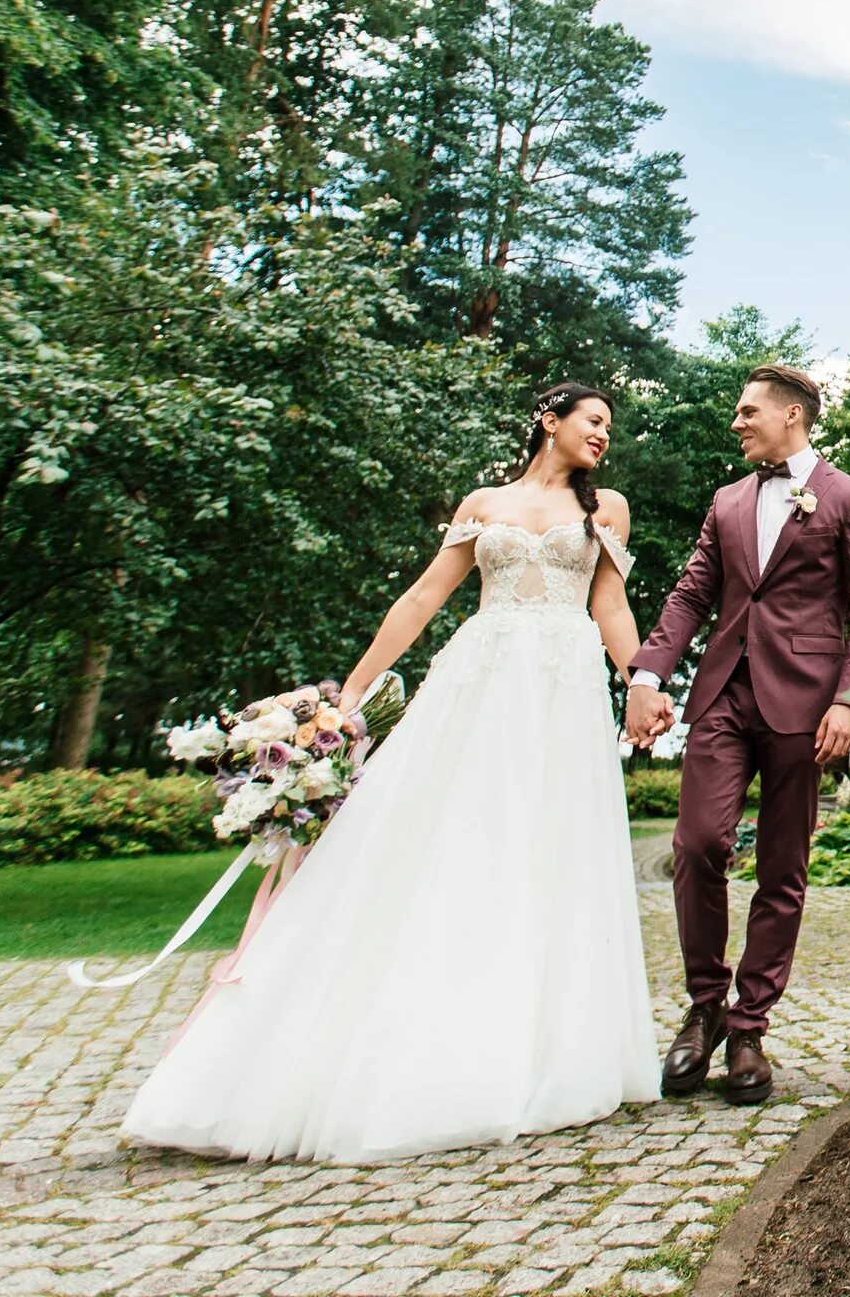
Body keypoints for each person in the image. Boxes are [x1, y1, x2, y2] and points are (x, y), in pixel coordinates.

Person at [121, 383, 658, 1163]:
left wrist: (642, 681)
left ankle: (545, 1048)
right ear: (552, 420)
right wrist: (351, 693)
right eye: (593, 419)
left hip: (564, 692)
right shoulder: (485, 500)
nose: (605, 433)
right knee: (444, 843)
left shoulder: (606, 508)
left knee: (550, 852)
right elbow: (423, 597)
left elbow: (609, 606)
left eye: (611, 425)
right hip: (479, 681)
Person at [623, 362, 850, 1107]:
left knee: (782, 868)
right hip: (725, 695)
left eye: (748, 412)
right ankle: (703, 1007)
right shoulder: (728, 500)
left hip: (807, 708)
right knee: (697, 844)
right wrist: (648, 674)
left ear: (793, 416)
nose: (736, 423)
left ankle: (748, 1027)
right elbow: (693, 593)